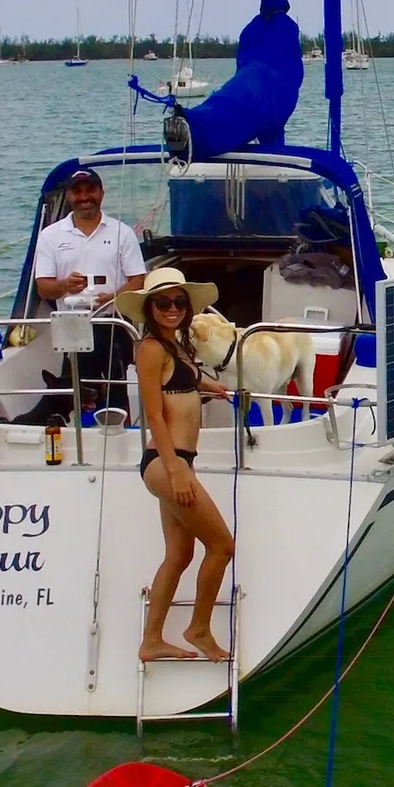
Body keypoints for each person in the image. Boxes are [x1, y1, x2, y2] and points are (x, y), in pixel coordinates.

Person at [118, 266, 235, 662]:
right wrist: (176, 470)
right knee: (221, 546)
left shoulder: (175, 345)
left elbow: (181, 381)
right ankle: (199, 629)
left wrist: (210, 385)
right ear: (150, 308)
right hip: (167, 463)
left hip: (177, 461)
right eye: (163, 303)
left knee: (179, 555)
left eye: (179, 302)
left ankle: (151, 641)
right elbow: (154, 416)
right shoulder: (150, 348)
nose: (172, 309)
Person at [33, 167, 145, 413]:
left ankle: (118, 430)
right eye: (77, 191)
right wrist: (64, 286)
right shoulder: (50, 236)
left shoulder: (121, 232)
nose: (84, 197)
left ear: (101, 193)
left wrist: (112, 298)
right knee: (75, 386)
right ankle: (79, 435)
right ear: (69, 196)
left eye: (90, 189)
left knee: (116, 387)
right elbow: (43, 288)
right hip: (70, 322)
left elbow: (139, 279)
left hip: (113, 321)